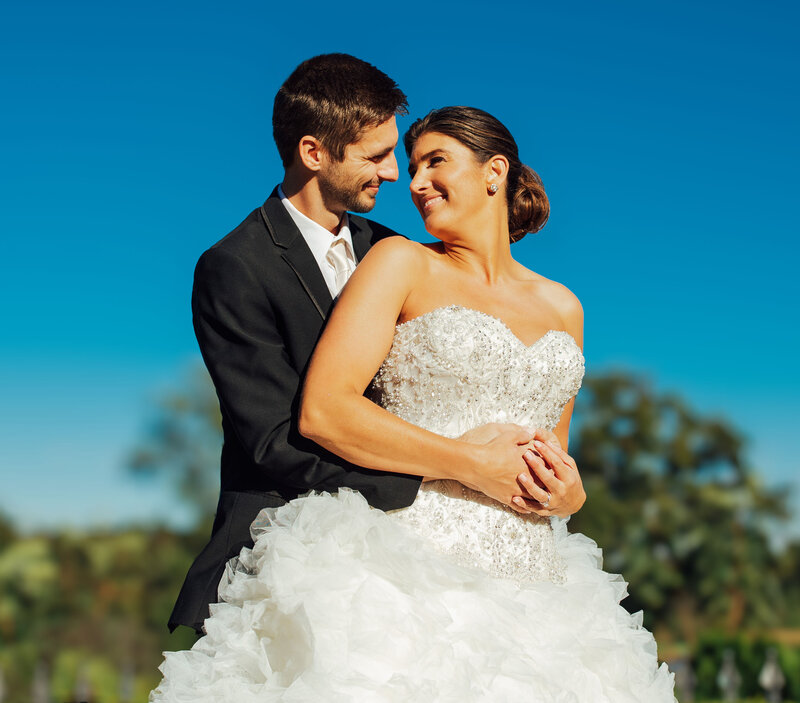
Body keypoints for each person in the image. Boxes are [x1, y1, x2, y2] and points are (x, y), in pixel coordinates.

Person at [151, 107, 676, 701]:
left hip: (538, 585)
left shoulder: (565, 306)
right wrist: (471, 463)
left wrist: (571, 495)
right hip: (407, 563)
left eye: (435, 162)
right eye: (411, 163)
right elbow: (326, 410)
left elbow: (553, 451)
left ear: (494, 172)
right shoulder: (400, 261)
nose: (414, 181)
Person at [169, 55, 585, 635]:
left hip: (518, 555)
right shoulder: (237, 266)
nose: (398, 178)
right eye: (379, 156)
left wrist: (563, 493)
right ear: (314, 152)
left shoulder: (399, 249)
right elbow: (278, 438)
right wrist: (455, 473)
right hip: (313, 542)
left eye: (417, 159)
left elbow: (550, 446)